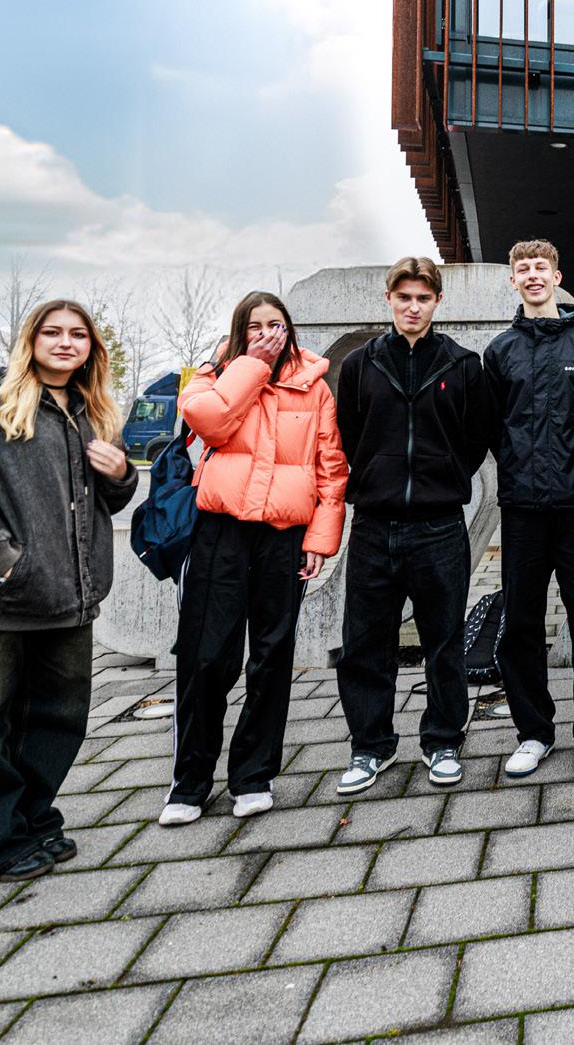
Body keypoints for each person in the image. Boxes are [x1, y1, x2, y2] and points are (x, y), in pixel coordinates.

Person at [162, 293, 348, 825]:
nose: (268, 333)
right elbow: (210, 422)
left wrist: (319, 541)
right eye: (256, 325)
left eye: (277, 324)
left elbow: (330, 466)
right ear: (240, 331)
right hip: (219, 532)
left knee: (271, 657)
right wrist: (252, 366)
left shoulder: (314, 385)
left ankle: (253, 776)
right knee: (205, 656)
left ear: (290, 330)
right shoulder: (214, 375)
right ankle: (189, 783)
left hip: (283, 537)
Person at [334, 257, 486, 797]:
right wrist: (377, 475)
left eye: (423, 298)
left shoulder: (462, 364)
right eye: (404, 298)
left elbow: (475, 438)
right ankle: (370, 746)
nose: (413, 307)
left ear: (437, 302)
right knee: (364, 642)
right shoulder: (360, 365)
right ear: (389, 300)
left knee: (443, 640)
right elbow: (349, 434)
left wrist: (444, 476)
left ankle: (442, 740)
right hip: (374, 526)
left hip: (438, 526)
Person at [0, 301, 136, 882]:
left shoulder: (92, 412)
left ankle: (32, 818)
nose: (65, 342)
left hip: (73, 595)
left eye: (78, 334)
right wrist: (8, 562)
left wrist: (121, 474)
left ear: (90, 348)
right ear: (30, 341)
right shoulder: (5, 407)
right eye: (52, 332)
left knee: (60, 718)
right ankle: (3, 837)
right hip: (10, 599)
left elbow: (111, 501)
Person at [484, 240, 574, 779]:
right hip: (522, 510)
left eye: (541, 267)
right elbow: (493, 427)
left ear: (558, 277)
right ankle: (533, 732)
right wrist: (518, 467)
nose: (533, 275)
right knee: (521, 625)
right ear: (513, 280)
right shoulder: (500, 351)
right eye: (523, 269)